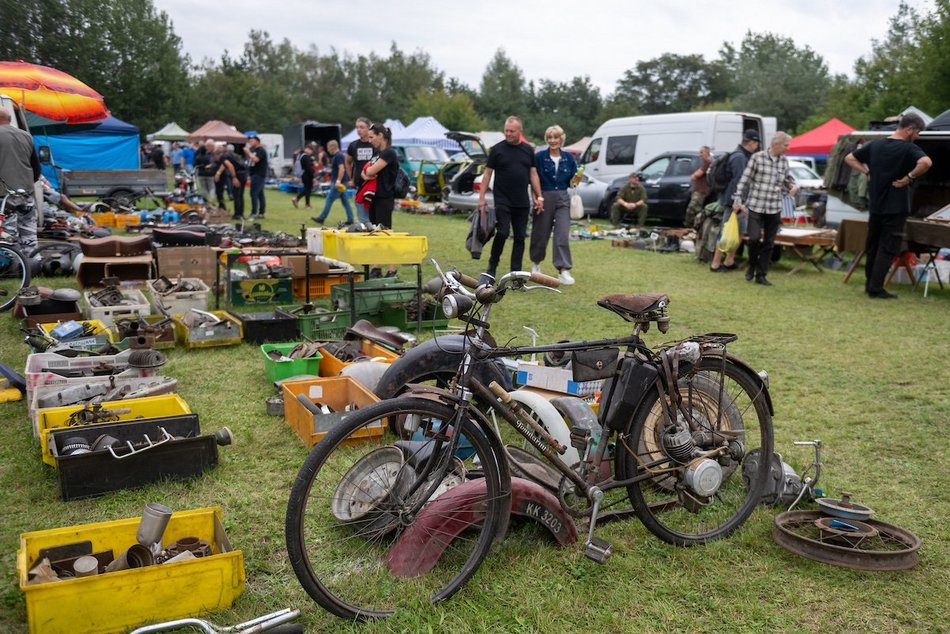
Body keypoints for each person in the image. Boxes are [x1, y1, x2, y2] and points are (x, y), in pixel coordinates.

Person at [844, 113, 932, 299]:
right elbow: (926, 162)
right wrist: (909, 178)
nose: (917, 136)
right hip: (896, 207)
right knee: (888, 247)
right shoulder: (908, 148)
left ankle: (870, 285)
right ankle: (876, 289)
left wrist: (866, 172)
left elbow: (850, 158)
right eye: (917, 132)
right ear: (909, 129)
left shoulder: (875, 145)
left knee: (873, 246)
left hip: (876, 205)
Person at [477, 116, 543, 281]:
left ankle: (516, 273)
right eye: (506, 130)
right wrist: (481, 197)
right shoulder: (497, 150)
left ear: (520, 131)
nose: (508, 134)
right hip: (502, 200)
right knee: (503, 232)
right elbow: (487, 174)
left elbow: (533, 174)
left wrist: (539, 196)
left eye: (511, 131)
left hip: (521, 201)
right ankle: (492, 266)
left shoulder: (528, 150)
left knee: (520, 237)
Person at [731, 131, 798, 286]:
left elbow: (787, 180)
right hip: (755, 205)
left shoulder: (784, 161)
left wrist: (792, 186)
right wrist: (737, 199)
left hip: (774, 207)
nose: (788, 148)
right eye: (786, 145)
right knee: (753, 239)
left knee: (769, 242)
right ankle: (752, 265)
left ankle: (761, 275)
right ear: (777, 144)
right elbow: (745, 180)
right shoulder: (758, 157)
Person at [530, 124, 578, 285]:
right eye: (550, 137)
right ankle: (536, 265)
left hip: (563, 197)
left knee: (562, 234)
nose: (553, 140)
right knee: (540, 233)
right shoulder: (539, 157)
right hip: (544, 196)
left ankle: (563, 270)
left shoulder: (569, 158)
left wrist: (577, 180)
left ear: (561, 139)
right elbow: (533, 179)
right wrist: (537, 198)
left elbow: (573, 182)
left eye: (556, 137)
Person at [709, 129, 761, 273]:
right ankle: (715, 263)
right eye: (756, 143)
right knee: (726, 232)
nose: (757, 147)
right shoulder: (740, 158)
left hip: (736, 201)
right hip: (734, 202)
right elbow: (739, 181)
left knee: (739, 232)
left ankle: (729, 261)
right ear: (751, 142)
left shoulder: (741, 155)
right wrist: (738, 203)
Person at [361, 123, 401, 277]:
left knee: (386, 233)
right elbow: (364, 173)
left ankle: (392, 269)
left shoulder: (389, 153)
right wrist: (367, 173)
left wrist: (368, 172)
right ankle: (376, 267)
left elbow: (370, 170)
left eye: (372, 137)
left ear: (380, 136)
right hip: (374, 198)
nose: (369, 140)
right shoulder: (377, 154)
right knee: (375, 232)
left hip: (385, 198)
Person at [0, 109, 41, 249]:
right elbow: (36, 168)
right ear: (10, 118)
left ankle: (12, 267)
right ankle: (33, 264)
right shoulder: (27, 136)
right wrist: (28, 183)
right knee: (28, 232)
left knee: (7, 233)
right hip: (26, 192)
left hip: (4, 194)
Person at [313, 140, 355, 225]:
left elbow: (342, 168)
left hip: (339, 183)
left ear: (333, 147)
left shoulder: (338, 156)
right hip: (343, 182)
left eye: (328, 148)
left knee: (329, 199)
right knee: (345, 201)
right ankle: (350, 219)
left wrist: (338, 180)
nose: (328, 150)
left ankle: (321, 218)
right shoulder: (338, 156)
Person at [346, 117, 376, 224]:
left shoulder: (375, 144)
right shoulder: (353, 145)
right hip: (359, 185)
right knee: (362, 219)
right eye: (357, 127)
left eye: (362, 127)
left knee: (374, 218)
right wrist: (351, 177)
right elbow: (347, 162)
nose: (359, 130)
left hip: (374, 187)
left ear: (369, 128)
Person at [214, 146, 247, 220]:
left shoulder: (223, 157)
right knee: (241, 194)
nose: (215, 158)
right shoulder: (230, 154)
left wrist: (234, 177)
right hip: (244, 173)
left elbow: (230, 166)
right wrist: (218, 173)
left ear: (218, 154)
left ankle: (237, 214)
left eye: (215, 156)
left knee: (237, 194)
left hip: (238, 174)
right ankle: (241, 213)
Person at [685, 145, 713, 228]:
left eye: (702, 152)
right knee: (695, 209)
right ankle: (696, 226)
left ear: (707, 152)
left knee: (693, 208)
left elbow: (698, 174)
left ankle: (692, 226)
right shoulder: (704, 162)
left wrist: (694, 175)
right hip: (697, 189)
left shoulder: (708, 162)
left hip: (701, 190)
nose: (700, 154)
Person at [244, 134, 268, 219]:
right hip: (255, 174)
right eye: (249, 141)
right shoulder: (255, 150)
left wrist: (248, 152)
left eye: (252, 141)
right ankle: (261, 212)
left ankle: (254, 213)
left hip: (259, 175)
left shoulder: (260, 150)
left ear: (257, 141)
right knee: (260, 194)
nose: (250, 142)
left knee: (253, 193)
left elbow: (256, 159)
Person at [292, 145, 316, 209]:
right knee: (308, 189)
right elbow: (309, 168)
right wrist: (313, 177)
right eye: (311, 151)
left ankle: (307, 204)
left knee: (307, 189)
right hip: (307, 175)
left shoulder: (300, 155)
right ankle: (297, 199)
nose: (311, 153)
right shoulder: (306, 156)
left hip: (302, 174)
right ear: (308, 149)